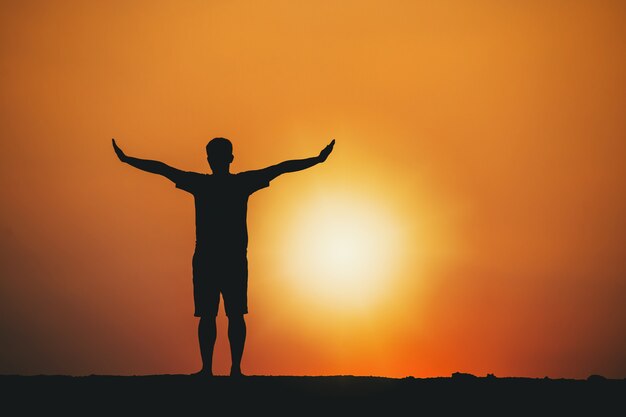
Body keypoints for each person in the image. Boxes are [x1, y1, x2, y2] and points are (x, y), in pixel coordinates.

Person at [112, 137, 335, 377]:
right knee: (229, 315)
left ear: (213, 159)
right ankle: (230, 369)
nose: (216, 160)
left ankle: (215, 369)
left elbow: (164, 169)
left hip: (217, 259)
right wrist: (317, 160)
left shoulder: (204, 183)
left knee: (218, 315)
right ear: (229, 158)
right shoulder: (238, 183)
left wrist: (127, 159)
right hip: (226, 259)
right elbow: (280, 168)